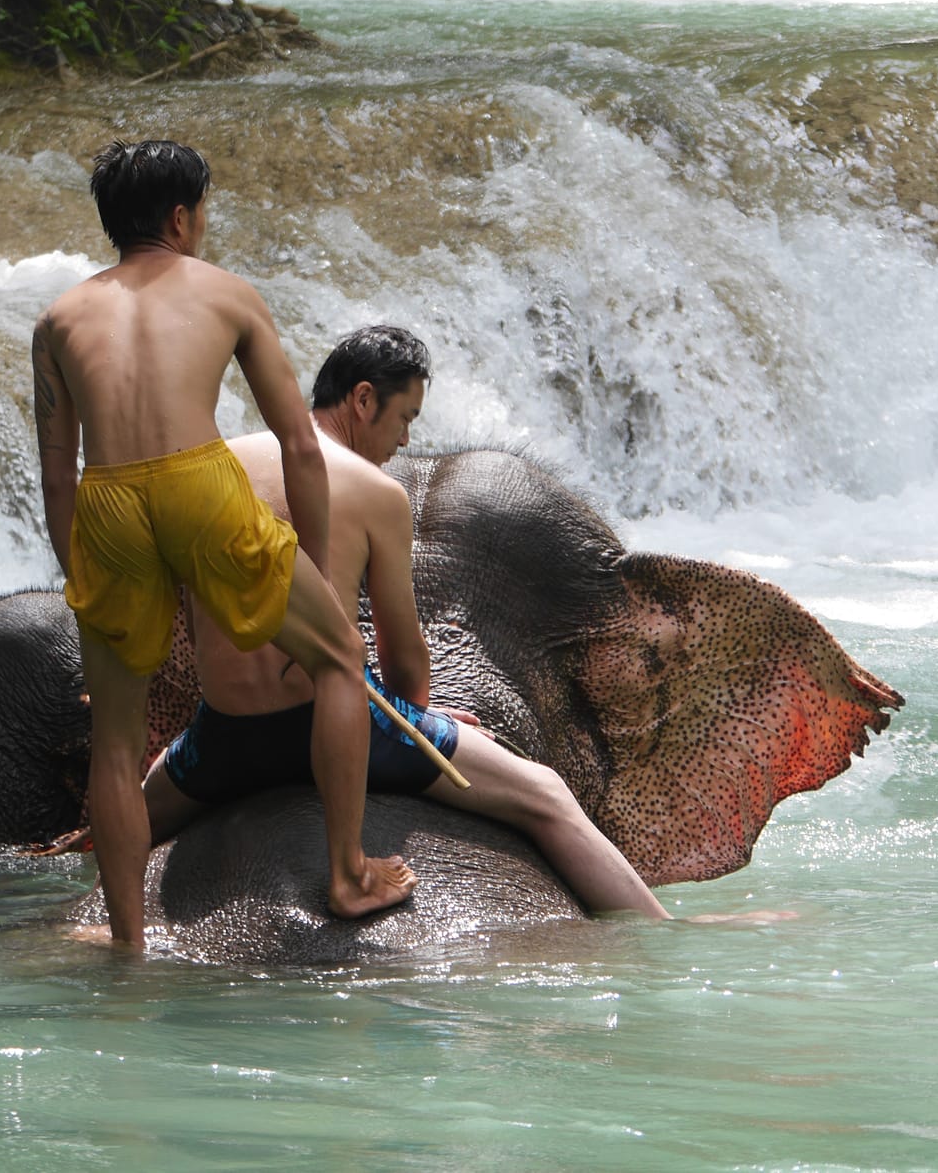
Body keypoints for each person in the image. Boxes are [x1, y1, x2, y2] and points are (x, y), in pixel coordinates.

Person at [145, 325, 672, 920]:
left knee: (127, 816)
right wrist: (420, 716)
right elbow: (403, 657)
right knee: (546, 796)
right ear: (363, 399)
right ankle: (662, 935)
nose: (404, 439)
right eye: (404, 417)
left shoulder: (212, 467)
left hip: (226, 742)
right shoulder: (375, 491)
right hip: (341, 730)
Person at [32, 139, 416, 949]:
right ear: (181, 217)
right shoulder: (228, 294)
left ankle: (128, 939)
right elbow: (302, 446)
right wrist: (311, 564)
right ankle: (347, 874)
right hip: (197, 486)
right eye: (202, 211)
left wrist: (85, 592)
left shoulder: (58, 319)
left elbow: (58, 480)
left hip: (107, 500)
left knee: (117, 739)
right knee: (341, 656)